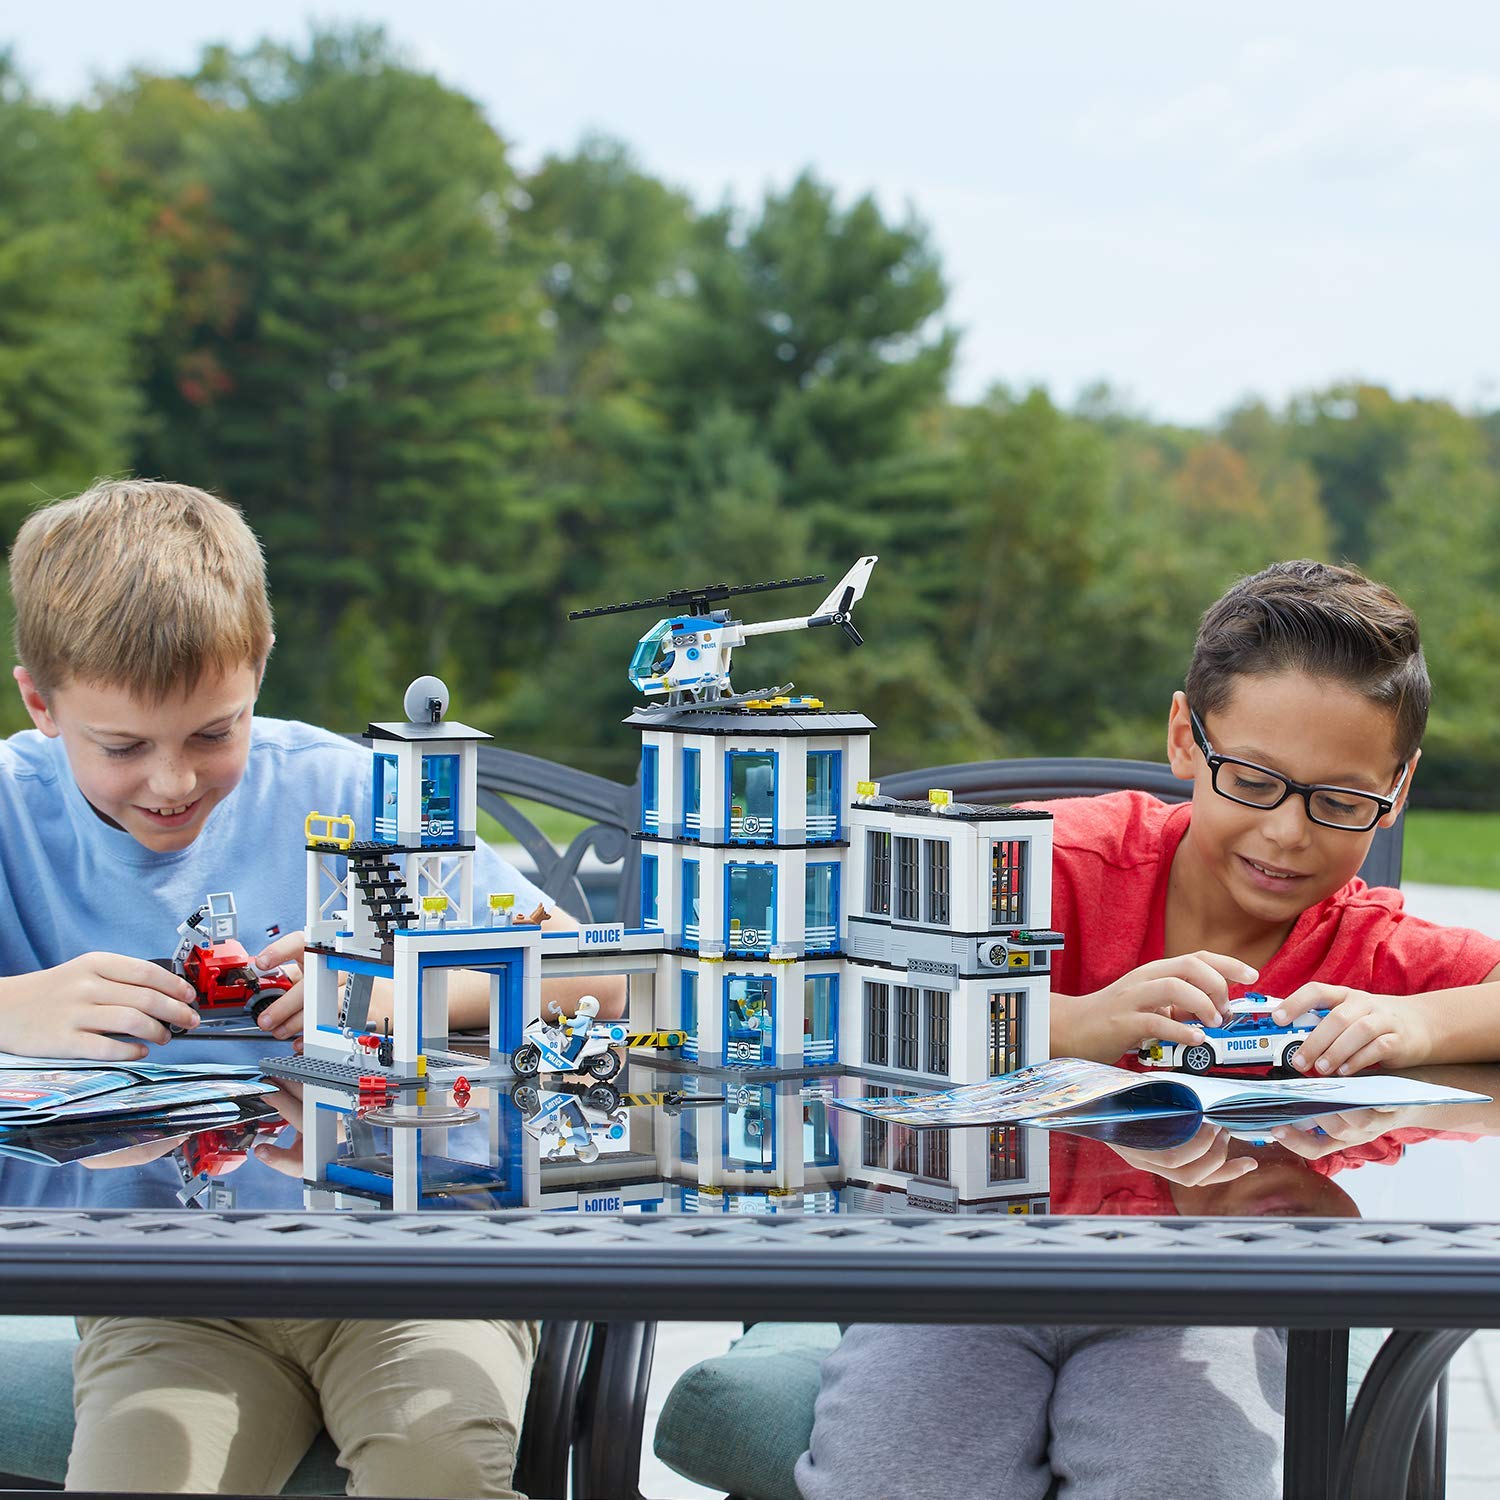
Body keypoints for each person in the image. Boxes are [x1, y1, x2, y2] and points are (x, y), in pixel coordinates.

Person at [797, 560, 1500, 1500]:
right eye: (1253, 780)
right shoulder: (1043, 865)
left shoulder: (1367, 952)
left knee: (1187, 1475)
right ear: (1185, 738)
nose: (1289, 833)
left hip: (1208, 1302)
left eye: (1341, 803)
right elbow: (813, 993)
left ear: (1399, 787)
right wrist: (1066, 1023)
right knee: (898, 1473)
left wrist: (1416, 1020)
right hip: (962, 1266)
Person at [0, 479, 621, 1496]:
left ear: (258, 676)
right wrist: (11, 1010)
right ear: (40, 703)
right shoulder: (11, 815)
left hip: (413, 1264)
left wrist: (405, 993)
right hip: (166, 1290)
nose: (171, 783)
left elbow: (603, 987)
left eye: (213, 734)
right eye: (121, 748)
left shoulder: (346, 798)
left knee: (440, 1473)